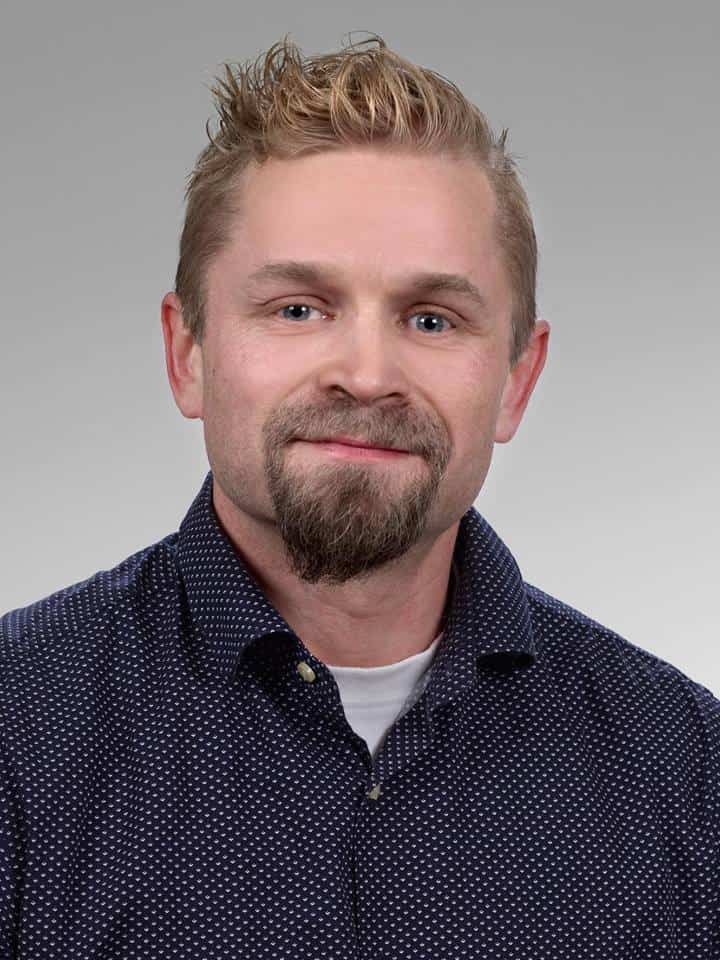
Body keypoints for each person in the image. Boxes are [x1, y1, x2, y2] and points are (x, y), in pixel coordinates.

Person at [1, 33, 717, 960]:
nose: (367, 374)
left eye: (432, 319)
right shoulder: (17, 732)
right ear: (188, 355)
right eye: (299, 308)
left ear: (517, 380)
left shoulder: (686, 769)